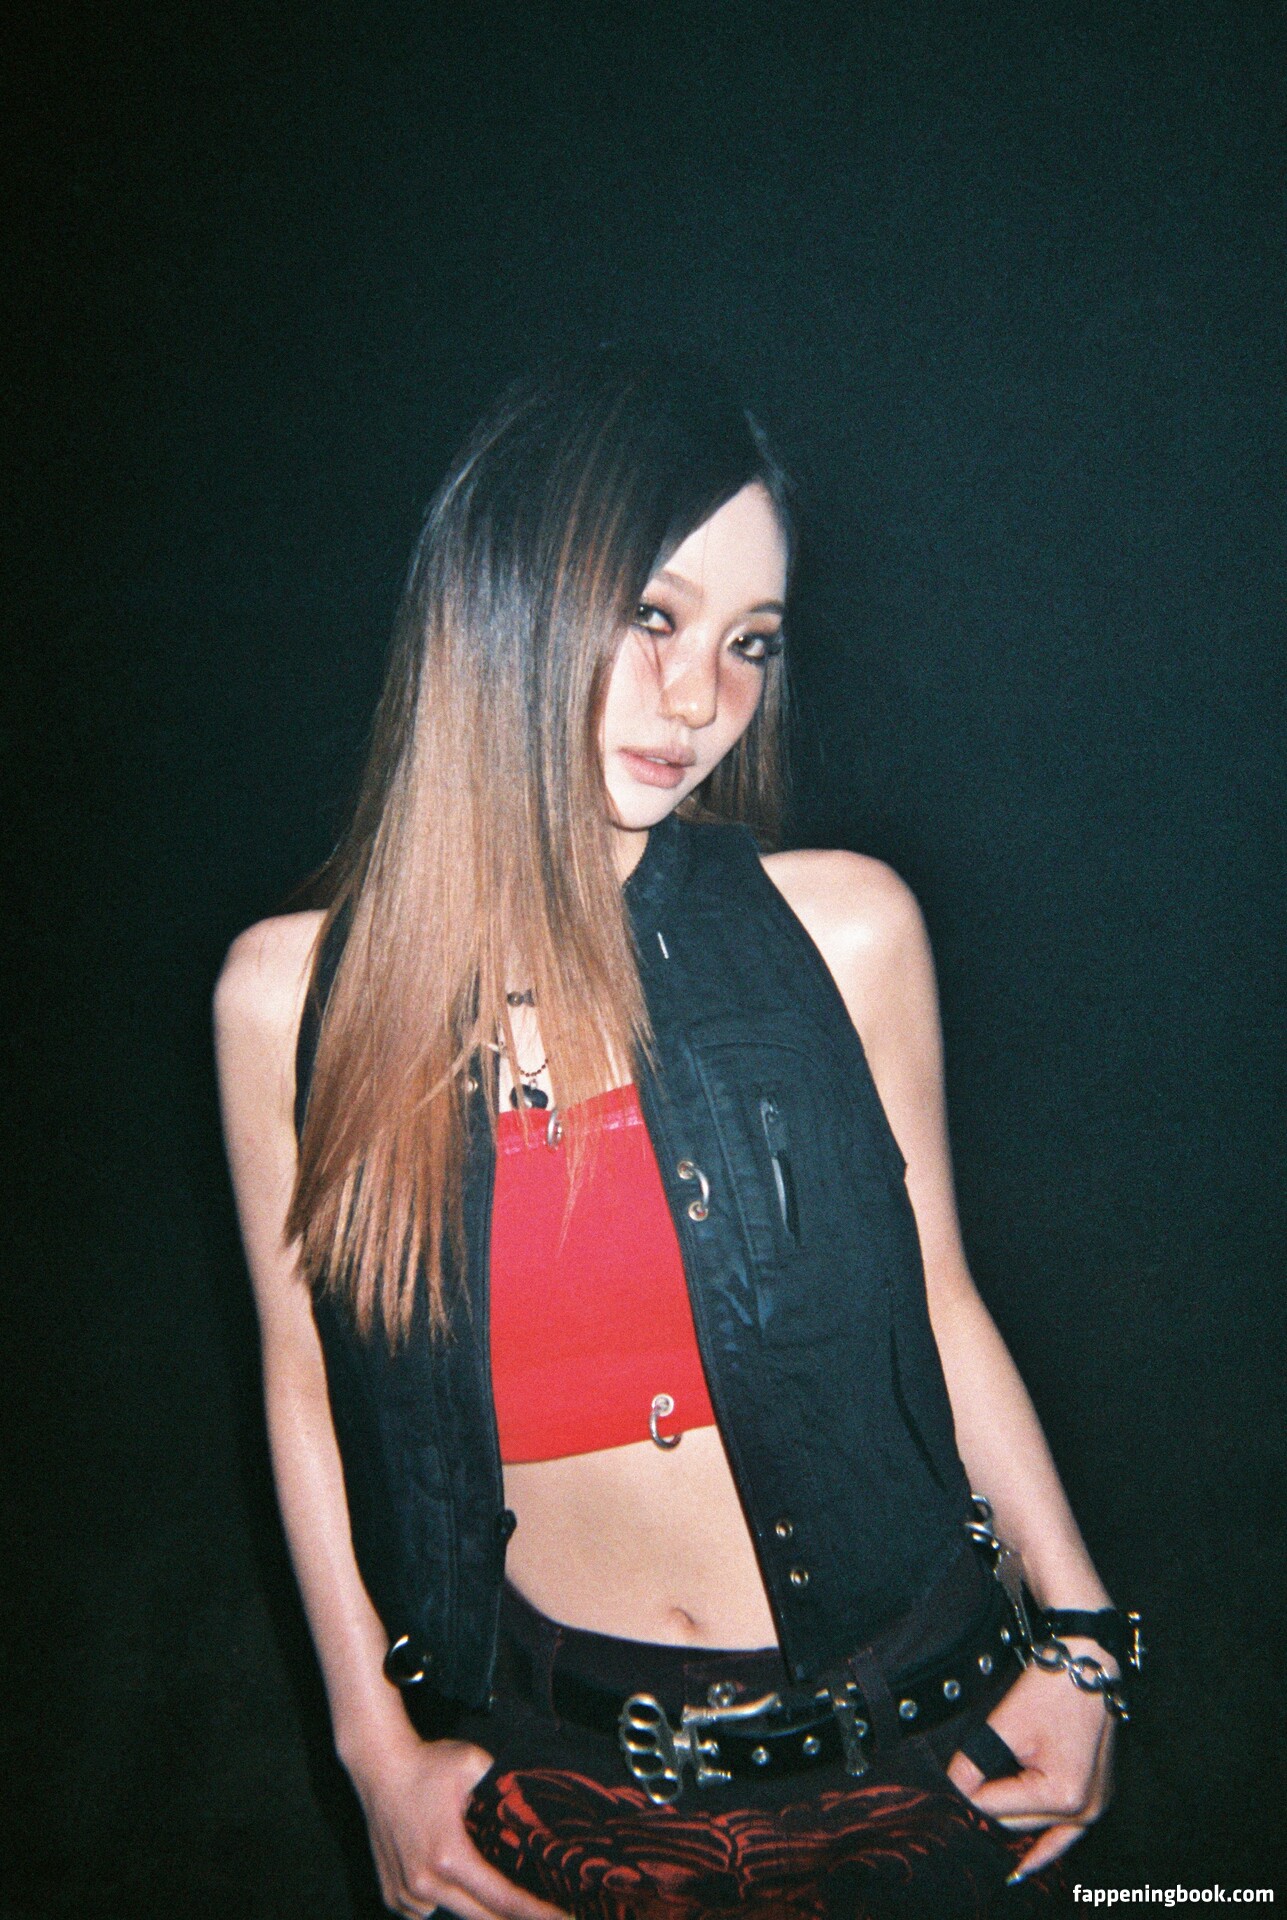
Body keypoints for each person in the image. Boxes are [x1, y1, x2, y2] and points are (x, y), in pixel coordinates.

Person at [215, 349, 1138, 1920]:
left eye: (748, 642)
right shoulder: (292, 999)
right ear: (506, 601)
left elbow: (942, 1301)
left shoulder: (842, 933)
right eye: (653, 615)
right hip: (553, 1778)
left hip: (919, 1743)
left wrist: (1087, 1640)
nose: (703, 698)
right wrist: (372, 1748)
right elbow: (304, 1387)